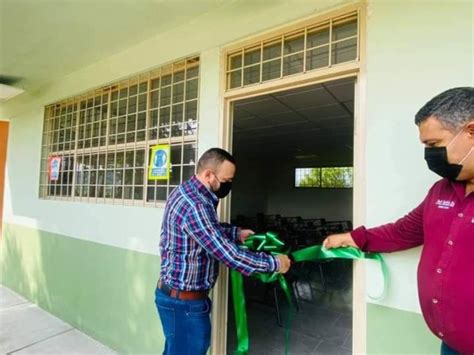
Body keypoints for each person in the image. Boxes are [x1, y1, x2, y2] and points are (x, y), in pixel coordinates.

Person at [323, 87, 474, 355]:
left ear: (471, 132)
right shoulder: (441, 191)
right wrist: (354, 238)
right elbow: (405, 231)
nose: (429, 155)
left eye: (433, 145)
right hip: (451, 345)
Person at [155, 147, 291, 355]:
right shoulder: (196, 205)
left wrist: (236, 233)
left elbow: (207, 230)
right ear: (209, 175)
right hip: (183, 304)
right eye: (226, 181)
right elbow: (228, 254)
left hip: (177, 298)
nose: (228, 186)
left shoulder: (186, 191)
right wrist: (274, 263)